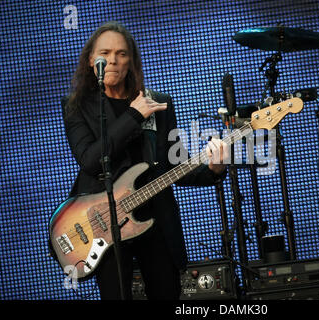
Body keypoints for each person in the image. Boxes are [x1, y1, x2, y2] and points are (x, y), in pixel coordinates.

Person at [61, 21, 228, 300]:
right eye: (105, 53)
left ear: (132, 61)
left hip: (156, 220)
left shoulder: (158, 103)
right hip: (104, 225)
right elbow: (90, 160)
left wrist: (214, 168)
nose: (112, 60)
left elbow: (175, 166)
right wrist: (133, 117)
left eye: (121, 53)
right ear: (91, 59)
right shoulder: (76, 105)